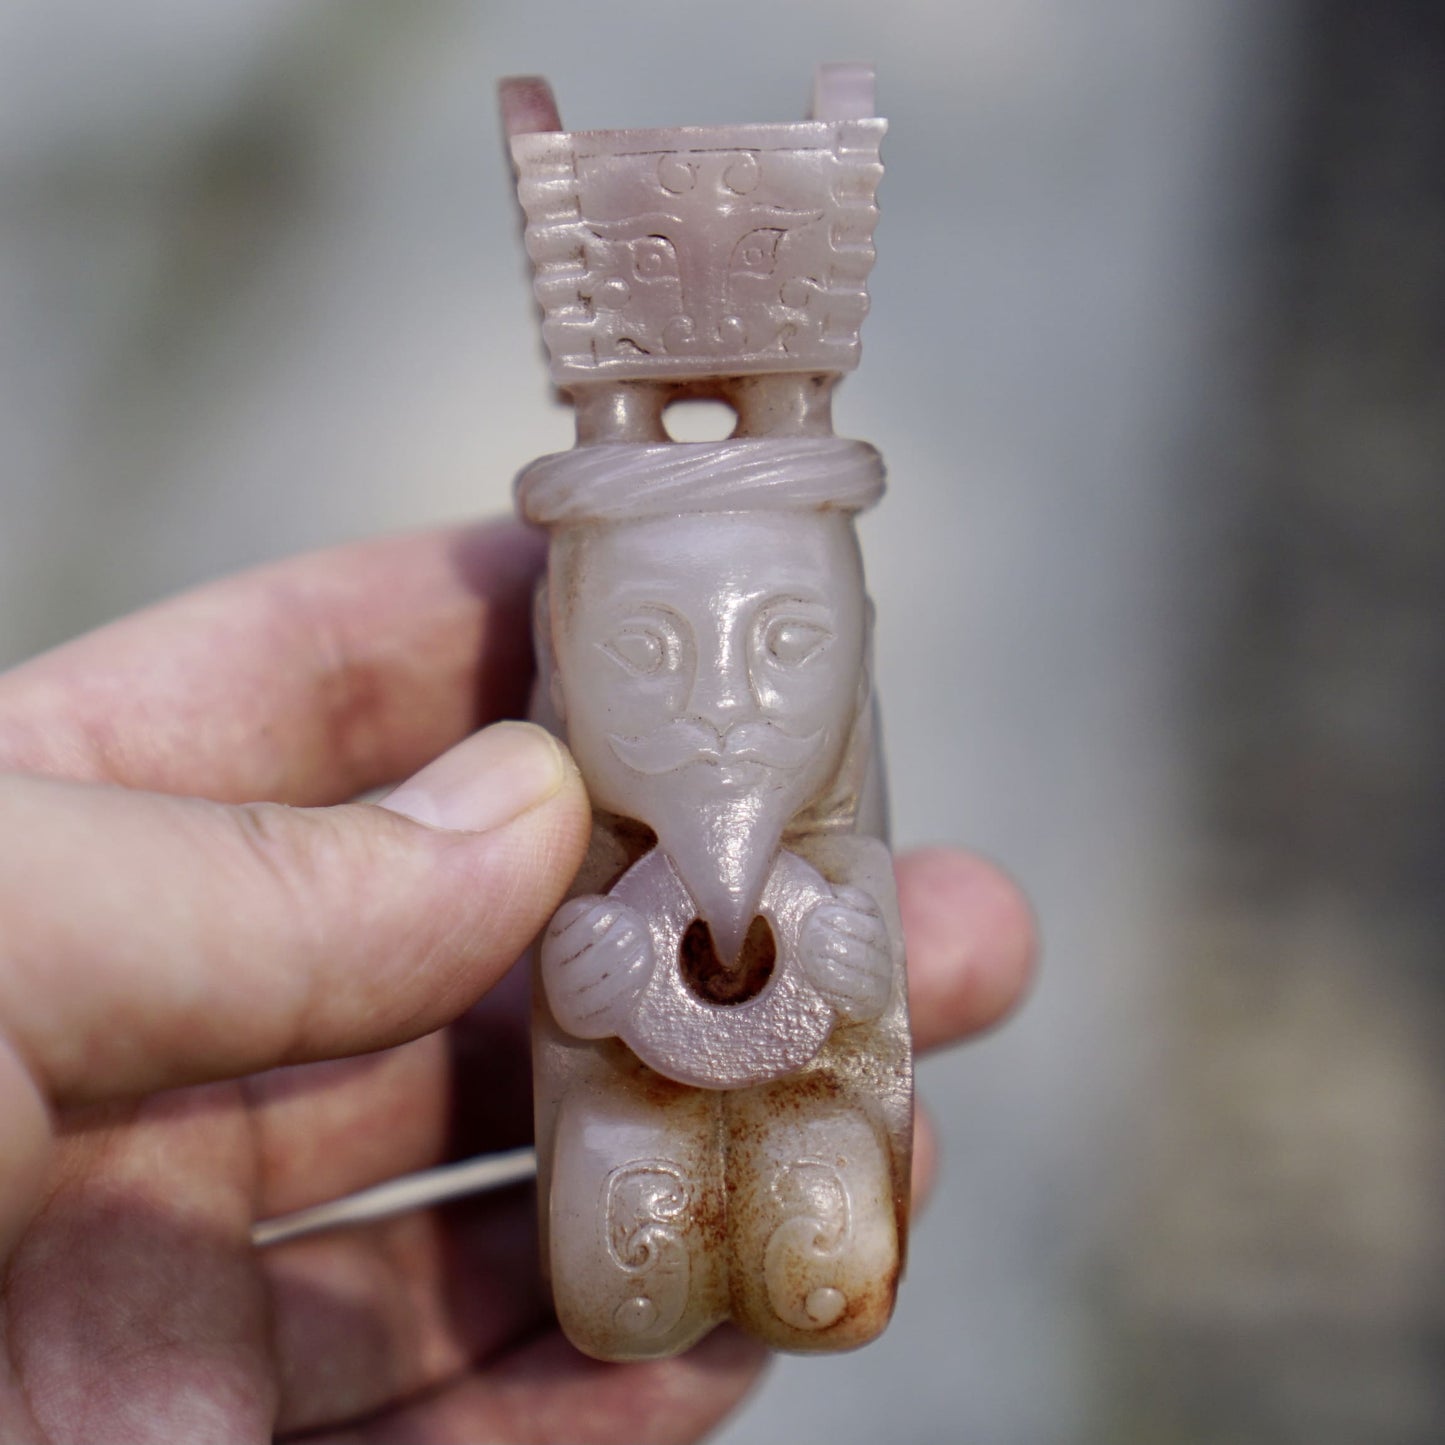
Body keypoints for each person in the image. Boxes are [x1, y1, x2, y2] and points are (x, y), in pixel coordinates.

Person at [0, 519, 1035, 1444]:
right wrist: (589, 980)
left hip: (800, 1103)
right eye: (645, 648)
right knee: (623, 1207)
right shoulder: (583, 831)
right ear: (559, 643)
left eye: (785, 644)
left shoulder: (831, 828)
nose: (722, 706)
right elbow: (574, 1023)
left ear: (854, 636)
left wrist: (854, 965)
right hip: (632, 1121)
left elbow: (861, 1010)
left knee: (826, 1197)